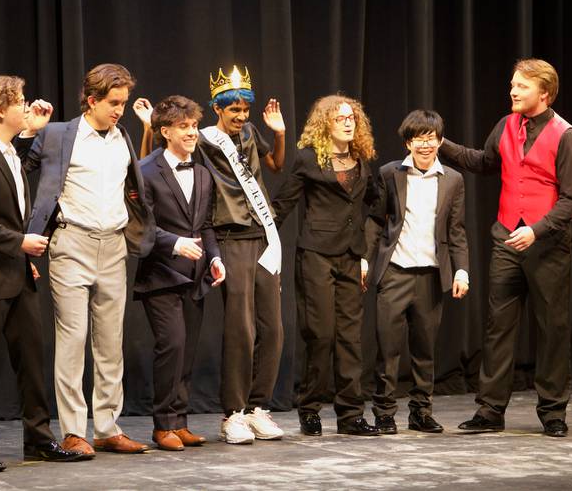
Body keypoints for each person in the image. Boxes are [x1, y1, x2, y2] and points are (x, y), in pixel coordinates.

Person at [440, 59, 572, 437]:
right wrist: (443, 146)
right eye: (512, 85)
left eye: (521, 86)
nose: (513, 91)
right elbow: (485, 162)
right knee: (498, 326)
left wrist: (536, 231)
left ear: (545, 93)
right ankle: (490, 410)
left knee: (552, 327)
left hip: (548, 244)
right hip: (507, 236)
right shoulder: (506, 125)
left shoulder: (566, 135)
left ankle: (553, 411)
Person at [15, 63, 155, 456]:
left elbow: (133, 186)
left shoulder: (122, 136)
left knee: (111, 342)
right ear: (91, 99)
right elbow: (19, 167)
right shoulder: (60, 134)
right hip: (71, 244)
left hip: (112, 246)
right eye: (113, 103)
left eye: (123, 103)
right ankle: (74, 429)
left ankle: (108, 426)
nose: (119, 110)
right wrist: (29, 131)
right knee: (73, 339)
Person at [0, 75, 80, 471]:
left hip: (16, 275)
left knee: (31, 361)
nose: (26, 106)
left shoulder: (9, 154)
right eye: (19, 101)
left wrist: (22, 261)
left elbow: (13, 206)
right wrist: (19, 244)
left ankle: (39, 439)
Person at [272, 94, 381, 437]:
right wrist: (255, 241)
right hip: (316, 255)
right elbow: (282, 205)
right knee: (320, 335)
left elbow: (378, 206)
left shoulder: (362, 160)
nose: (349, 123)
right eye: (341, 119)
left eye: (352, 118)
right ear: (325, 125)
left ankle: (350, 415)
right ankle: (310, 408)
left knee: (350, 338)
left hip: (351, 256)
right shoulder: (308, 160)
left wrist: (366, 252)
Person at [197, 66, 286, 444]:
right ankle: (232, 413)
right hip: (230, 235)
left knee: (273, 326)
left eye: (244, 109)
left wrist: (279, 133)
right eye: (233, 110)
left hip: (263, 235)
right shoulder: (203, 140)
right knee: (240, 326)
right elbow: (153, 157)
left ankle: (257, 408)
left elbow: (276, 164)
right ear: (217, 108)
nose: (240, 116)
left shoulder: (250, 132)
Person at [366, 109, 469, 435]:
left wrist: (462, 270)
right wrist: (365, 259)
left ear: (440, 140)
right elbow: (374, 220)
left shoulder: (452, 179)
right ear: (408, 142)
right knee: (388, 350)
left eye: (431, 138)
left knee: (425, 350)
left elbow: (457, 231)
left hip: (430, 274)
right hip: (394, 271)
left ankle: (421, 412)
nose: (425, 145)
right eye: (418, 139)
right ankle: (384, 412)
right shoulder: (389, 174)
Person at [134, 95, 227, 451]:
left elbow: (205, 225)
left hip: (196, 273)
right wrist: (174, 243)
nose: (192, 133)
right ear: (164, 131)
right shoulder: (146, 170)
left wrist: (215, 258)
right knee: (171, 345)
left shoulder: (202, 173)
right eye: (184, 127)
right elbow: (141, 226)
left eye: (193, 127)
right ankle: (162, 426)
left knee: (187, 349)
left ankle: (180, 420)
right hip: (160, 274)